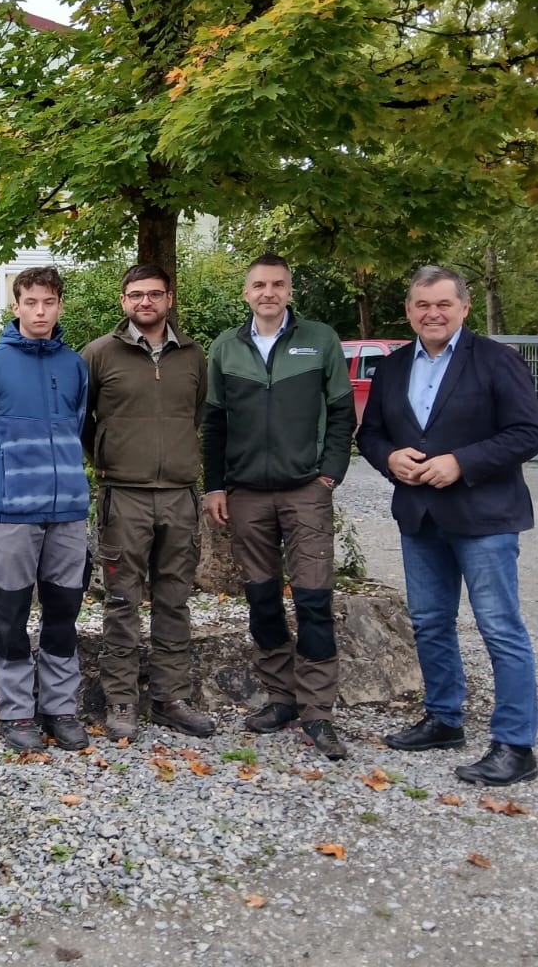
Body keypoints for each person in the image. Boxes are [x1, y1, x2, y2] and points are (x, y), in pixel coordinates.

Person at [357, 266, 538, 786]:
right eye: (423, 305)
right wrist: (389, 458)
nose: (433, 313)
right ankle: (444, 719)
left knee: (499, 628)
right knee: (430, 622)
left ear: (464, 307)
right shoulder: (393, 367)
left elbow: (529, 433)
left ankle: (515, 745)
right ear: (409, 311)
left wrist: (462, 462)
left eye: (443, 304)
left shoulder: (497, 360)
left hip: (484, 517)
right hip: (420, 516)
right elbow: (370, 434)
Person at [202, 254, 355, 760]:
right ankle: (281, 698)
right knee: (262, 598)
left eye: (278, 284)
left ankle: (318, 710)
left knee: (313, 598)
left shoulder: (320, 339)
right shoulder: (226, 347)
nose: (268, 293)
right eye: (259, 285)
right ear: (246, 292)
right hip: (246, 493)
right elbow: (215, 423)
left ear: (290, 291)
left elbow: (341, 412)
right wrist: (215, 485)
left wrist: (330, 473)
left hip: (305, 489)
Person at [0, 265, 92, 753]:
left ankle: (60, 708)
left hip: (68, 512)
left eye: (49, 302)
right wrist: (2, 482)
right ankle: (16, 712)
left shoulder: (75, 366)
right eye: (31, 302)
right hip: (13, 513)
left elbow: (79, 426)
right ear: (15, 306)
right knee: (11, 616)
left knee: (63, 613)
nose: (40, 311)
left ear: (59, 306)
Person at [82, 264, 215, 743]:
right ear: (123, 301)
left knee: (174, 599)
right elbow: (81, 419)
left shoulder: (193, 356)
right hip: (124, 496)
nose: (145, 302)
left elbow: (197, 414)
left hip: (179, 495)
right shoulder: (98, 354)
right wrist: (107, 457)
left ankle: (170, 698)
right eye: (136, 294)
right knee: (122, 601)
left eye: (154, 294)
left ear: (169, 299)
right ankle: (121, 699)